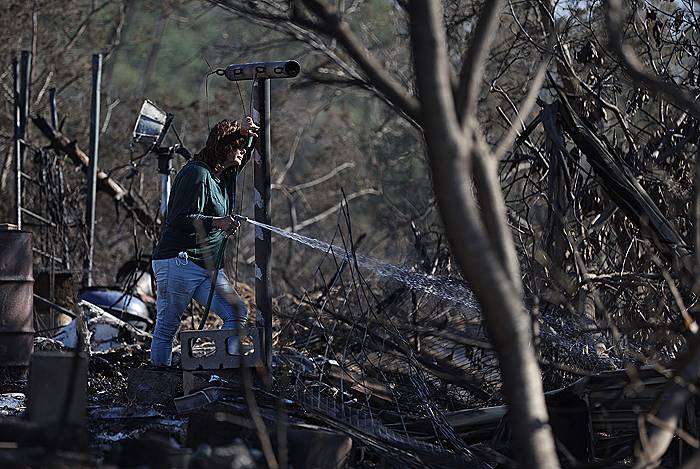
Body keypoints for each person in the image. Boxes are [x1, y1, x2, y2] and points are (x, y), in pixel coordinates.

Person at [150, 117, 258, 366]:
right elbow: (179, 218)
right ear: (223, 147)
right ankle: (156, 382)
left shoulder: (224, 177)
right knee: (167, 328)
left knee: (236, 311)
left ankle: (228, 367)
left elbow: (245, 154)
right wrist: (217, 222)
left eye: (243, 146)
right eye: (238, 145)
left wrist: (247, 134)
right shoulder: (196, 174)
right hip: (179, 261)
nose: (242, 150)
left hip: (206, 267)